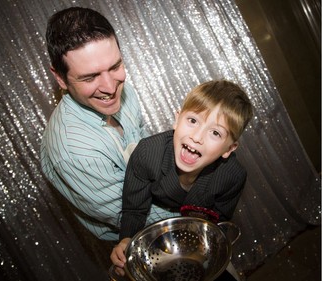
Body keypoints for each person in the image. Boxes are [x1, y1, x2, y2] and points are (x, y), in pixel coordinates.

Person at [40, 7, 178, 241]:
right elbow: (132, 214)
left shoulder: (123, 92)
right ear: (60, 78)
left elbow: (150, 158)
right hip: (146, 240)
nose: (110, 87)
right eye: (90, 77)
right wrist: (199, 209)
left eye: (115, 67)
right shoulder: (73, 150)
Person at [110, 80, 254, 279]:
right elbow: (134, 209)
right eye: (193, 121)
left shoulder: (232, 176)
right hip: (157, 244)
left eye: (215, 133)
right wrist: (126, 240)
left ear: (229, 149)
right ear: (177, 120)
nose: (197, 137)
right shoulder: (147, 154)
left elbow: (217, 221)